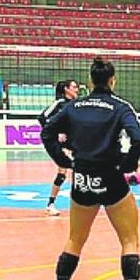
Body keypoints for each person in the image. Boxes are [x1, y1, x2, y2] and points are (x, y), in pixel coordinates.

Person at [40, 58, 140, 280]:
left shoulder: (74, 106)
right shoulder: (120, 107)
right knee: (129, 239)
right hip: (111, 177)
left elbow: (47, 132)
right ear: (113, 80)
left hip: (82, 178)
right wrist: (128, 165)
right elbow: (137, 138)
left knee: (75, 239)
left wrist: (63, 160)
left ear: (90, 81)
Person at [38, 79, 79, 216]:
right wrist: (57, 133)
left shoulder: (76, 105)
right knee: (63, 171)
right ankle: (50, 204)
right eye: (74, 87)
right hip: (58, 143)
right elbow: (42, 118)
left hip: (73, 142)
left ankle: (81, 201)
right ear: (66, 89)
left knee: (80, 168)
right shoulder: (59, 104)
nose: (77, 89)